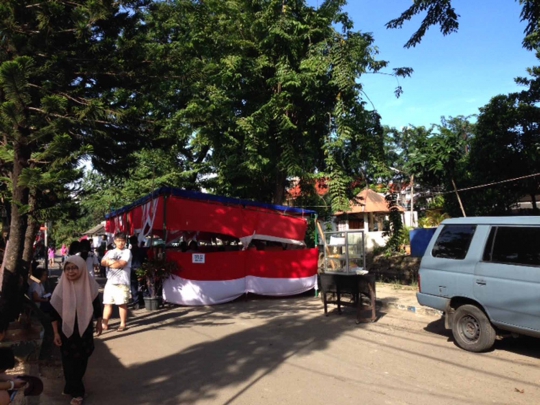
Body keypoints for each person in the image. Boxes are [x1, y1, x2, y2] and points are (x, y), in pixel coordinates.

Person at [50, 256, 102, 405]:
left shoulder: (90, 285)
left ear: (82, 268)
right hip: (66, 330)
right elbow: (53, 313)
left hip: (84, 330)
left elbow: (96, 306)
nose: (71, 271)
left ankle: (70, 385)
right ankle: (78, 392)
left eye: (74, 268)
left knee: (82, 359)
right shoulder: (60, 288)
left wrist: (99, 322)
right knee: (68, 361)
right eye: (67, 268)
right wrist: (55, 333)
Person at [101, 232, 132, 332]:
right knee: (107, 303)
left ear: (125, 241)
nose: (120, 243)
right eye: (118, 241)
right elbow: (102, 262)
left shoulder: (127, 252)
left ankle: (123, 323)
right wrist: (112, 263)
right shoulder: (110, 252)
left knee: (121, 303)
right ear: (115, 241)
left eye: (122, 241)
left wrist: (109, 263)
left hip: (122, 282)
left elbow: (120, 264)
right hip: (110, 282)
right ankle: (104, 324)